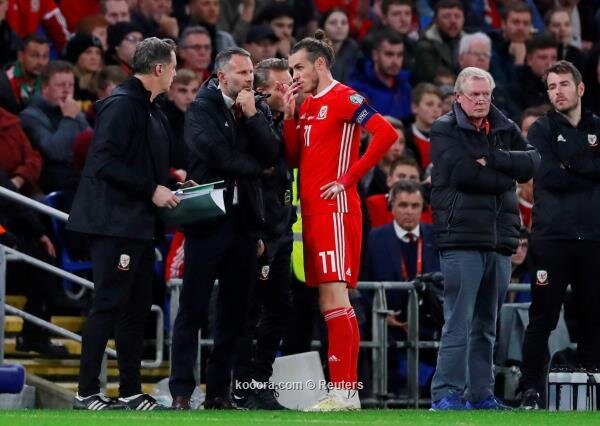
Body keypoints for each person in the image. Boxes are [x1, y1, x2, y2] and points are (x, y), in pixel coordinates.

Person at [283, 30, 397, 410]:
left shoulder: (346, 97)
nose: (294, 75)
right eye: (291, 69)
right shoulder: (307, 105)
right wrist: (289, 116)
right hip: (311, 213)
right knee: (327, 302)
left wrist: (349, 178)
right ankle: (344, 392)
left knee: (336, 298)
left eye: (299, 67)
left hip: (336, 210)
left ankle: (345, 392)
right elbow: (294, 158)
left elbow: (386, 134)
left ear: (320, 64)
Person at [67, 37, 179, 411]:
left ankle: (130, 391)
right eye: (173, 66)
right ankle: (86, 393)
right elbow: (103, 162)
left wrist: (173, 182)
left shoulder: (151, 109)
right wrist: (151, 189)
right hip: (114, 224)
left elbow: (141, 164)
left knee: (136, 307)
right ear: (159, 68)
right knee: (109, 304)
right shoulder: (122, 105)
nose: (175, 73)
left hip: (138, 225)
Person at [169, 47, 278, 410]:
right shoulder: (201, 108)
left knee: (234, 314)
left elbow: (272, 154)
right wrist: (256, 168)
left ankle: (218, 392)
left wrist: (253, 117)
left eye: (251, 72)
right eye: (242, 73)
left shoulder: (256, 108)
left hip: (244, 223)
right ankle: (182, 392)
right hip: (207, 223)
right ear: (221, 77)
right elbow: (215, 154)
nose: (249, 79)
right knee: (193, 309)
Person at [429, 66, 539, 410]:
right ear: (458, 97)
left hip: (500, 239)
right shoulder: (444, 128)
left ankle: (480, 394)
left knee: (486, 325)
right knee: (459, 322)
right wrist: (506, 176)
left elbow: (532, 163)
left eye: (485, 94)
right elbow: (462, 174)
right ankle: (446, 394)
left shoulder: (504, 127)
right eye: (474, 94)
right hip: (461, 237)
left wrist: (491, 159)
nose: (480, 100)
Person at [518, 60, 600, 410]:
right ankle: (530, 388)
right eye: (551, 87)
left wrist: (570, 163)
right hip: (552, 239)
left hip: (594, 238)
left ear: (580, 88)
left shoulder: (597, 126)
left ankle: (592, 381)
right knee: (543, 316)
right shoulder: (540, 130)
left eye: (563, 84)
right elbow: (549, 176)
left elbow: (565, 172)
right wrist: (589, 168)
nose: (557, 92)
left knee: (594, 314)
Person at [231, 57, 295, 410]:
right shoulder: (248, 124)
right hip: (256, 231)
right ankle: (241, 385)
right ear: (262, 90)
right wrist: (253, 230)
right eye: (282, 86)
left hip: (281, 230)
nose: (289, 91)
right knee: (247, 312)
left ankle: (260, 380)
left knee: (280, 310)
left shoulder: (286, 122)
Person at [365, 180, 440, 394]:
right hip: (386, 327)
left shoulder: (436, 237)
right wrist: (380, 313)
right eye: (403, 205)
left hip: (430, 326)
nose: (409, 211)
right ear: (392, 207)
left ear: (423, 208)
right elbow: (363, 282)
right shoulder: (374, 238)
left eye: (415, 206)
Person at [19, 60, 90, 193]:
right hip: (51, 186)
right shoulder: (29, 117)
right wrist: (68, 119)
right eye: (60, 85)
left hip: (80, 182)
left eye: (70, 85)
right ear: (45, 88)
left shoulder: (75, 113)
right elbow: (56, 152)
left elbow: (92, 146)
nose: (67, 90)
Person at [348, 29, 412, 121]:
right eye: (389, 54)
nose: (395, 61)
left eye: (400, 55)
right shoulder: (357, 89)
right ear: (375, 55)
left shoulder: (405, 86)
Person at [6, 35, 50, 109]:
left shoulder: (50, 80)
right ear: (20, 56)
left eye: (45, 56)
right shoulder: (6, 83)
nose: (41, 62)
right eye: (34, 56)